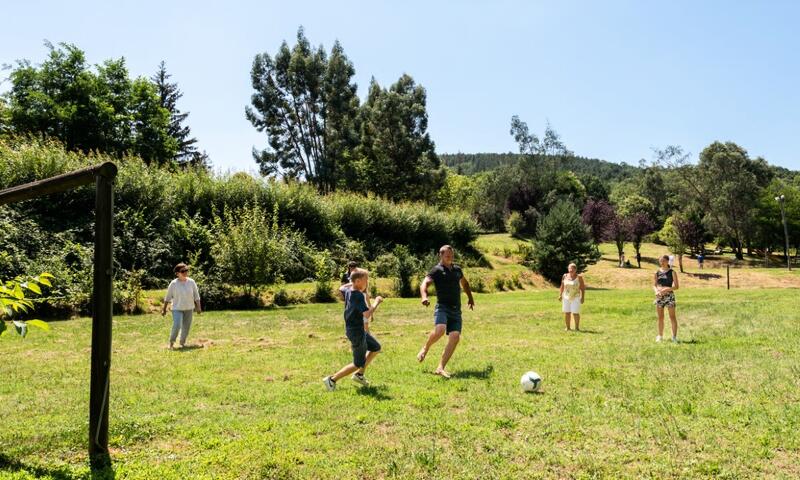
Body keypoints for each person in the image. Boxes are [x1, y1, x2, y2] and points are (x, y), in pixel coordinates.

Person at [417, 245, 475, 378]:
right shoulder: (437, 270)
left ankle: (440, 367)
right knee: (440, 330)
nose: (450, 258)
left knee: (455, 337)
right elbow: (424, 284)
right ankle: (426, 348)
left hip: (456, 309)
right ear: (441, 256)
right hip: (443, 306)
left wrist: (471, 298)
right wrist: (424, 297)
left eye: (451, 255)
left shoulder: (457, 270)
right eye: (447, 256)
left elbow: (465, 284)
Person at [323, 269, 384, 391]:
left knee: (376, 347)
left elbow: (341, 287)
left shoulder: (348, 290)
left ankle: (359, 374)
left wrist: (351, 283)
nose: (367, 283)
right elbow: (367, 314)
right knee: (357, 363)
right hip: (357, 332)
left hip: (356, 329)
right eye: (366, 280)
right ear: (358, 281)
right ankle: (332, 380)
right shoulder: (357, 296)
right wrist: (376, 302)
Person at [161, 263, 202, 349]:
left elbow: (196, 295)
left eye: (186, 270)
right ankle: (171, 343)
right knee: (177, 325)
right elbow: (167, 297)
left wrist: (198, 307)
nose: (185, 272)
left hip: (189, 308)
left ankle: (182, 343)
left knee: (186, 327)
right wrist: (164, 309)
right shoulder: (173, 284)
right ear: (177, 273)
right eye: (183, 271)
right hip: (177, 309)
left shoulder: (191, 282)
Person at [653, 254, 679, 343]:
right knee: (660, 317)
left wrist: (668, 289)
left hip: (669, 296)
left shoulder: (672, 272)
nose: (662, 262)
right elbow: (654, 285)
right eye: (660, 261)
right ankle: (660, 336)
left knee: (672, 317)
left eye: (663, 261)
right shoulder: (657, 272)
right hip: (659, 296)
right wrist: (656, 291)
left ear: (668, 261)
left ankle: (674, 337)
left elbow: (676, 286)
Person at [558, 263, 585, 331]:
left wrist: (582, 297)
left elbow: (582, 288)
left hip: (575, 297)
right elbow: (562, 286)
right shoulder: (565, 276)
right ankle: (568, 327)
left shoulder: (579, 277)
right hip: (566, 297)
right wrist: (560, 295)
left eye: (572, 269)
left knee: (575, 312)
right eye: (569, 269)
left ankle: (577, 327)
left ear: (575, 270)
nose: (570, 271)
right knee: (567, 312)